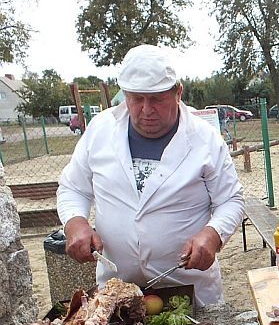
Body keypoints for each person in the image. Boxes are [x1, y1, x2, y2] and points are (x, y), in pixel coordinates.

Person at [57, 44, 245, 306]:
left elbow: (230, 200)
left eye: (157, 99)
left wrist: (213, 234)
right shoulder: (100, 131)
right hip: (117, 290)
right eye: (136, 98)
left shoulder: (204, 139)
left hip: (190, 287)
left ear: (178, 92)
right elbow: (73, 188)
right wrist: (75, 224)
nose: (146, 110)